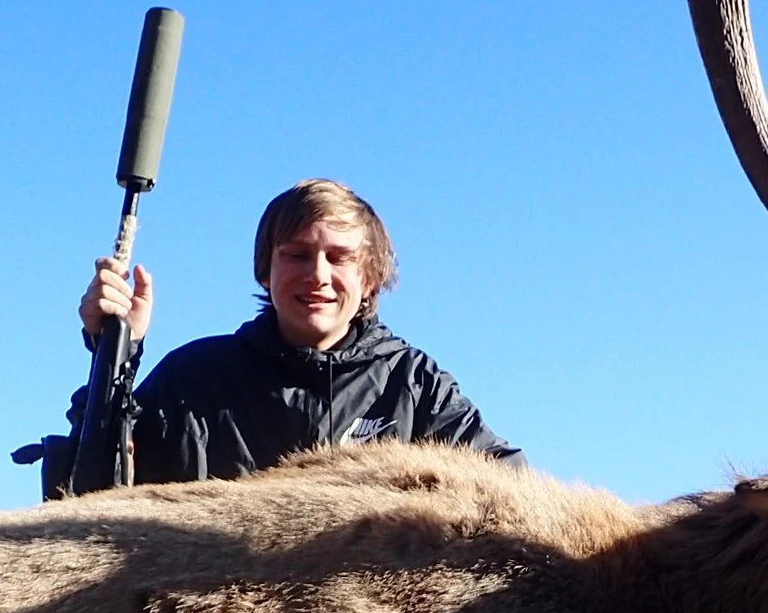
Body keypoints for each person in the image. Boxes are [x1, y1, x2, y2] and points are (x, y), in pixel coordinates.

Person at [43, 178, 519, 489]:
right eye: (295, 254)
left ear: (370, 277)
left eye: (339, 257)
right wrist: (116, 350)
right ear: (265, 272)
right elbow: (92, 488)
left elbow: (508, 488)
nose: (317, 275)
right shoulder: (194, 378)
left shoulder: (415, 386)